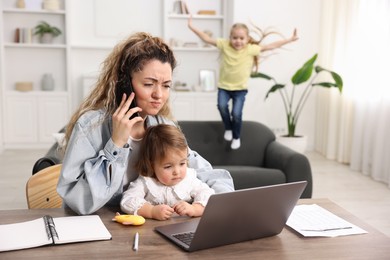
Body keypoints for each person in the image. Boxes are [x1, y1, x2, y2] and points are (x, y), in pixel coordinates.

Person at [56, 32, 234, 215]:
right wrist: (115, 145)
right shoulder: (90, 126)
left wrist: (226, 203)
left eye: (166, 85)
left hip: (148, 230)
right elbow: (79, 202)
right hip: (99, 227)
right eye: (149, 84)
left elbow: (204, 174)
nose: (159, 95)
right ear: (125, 84)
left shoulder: (164, 126)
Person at [188, 17, 299, 149]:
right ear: (230, 37)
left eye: (241, 38)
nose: (238, 41)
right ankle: (228, 128)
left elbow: (270, 46)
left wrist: (289, 39)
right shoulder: (224, 45)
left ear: (247, 39)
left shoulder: (251, 49)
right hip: (224, 87)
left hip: (240, 89)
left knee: (236, 113)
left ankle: (236, 136)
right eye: (235, 38)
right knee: (222, 106)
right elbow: (206, 38)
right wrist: (191, 26)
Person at [120, 124, 215, 220]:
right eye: (168, 166)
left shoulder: (189, 179)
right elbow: (127, 200)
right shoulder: (146, 181)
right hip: (152, 230)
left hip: (182, 226)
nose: (177, 172)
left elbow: (208, 195)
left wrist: (194, 209)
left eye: (182, 163)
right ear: (152, 165)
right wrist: (152, 211)